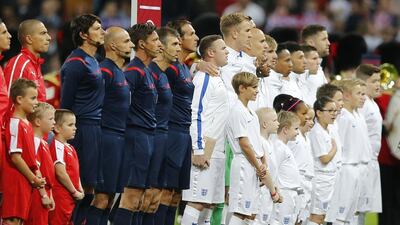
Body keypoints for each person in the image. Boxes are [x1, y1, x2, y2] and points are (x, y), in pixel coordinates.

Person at [112, 22, 161, 225]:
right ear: (142, 44)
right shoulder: (133, 71)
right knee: (131, 197)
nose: (160, 44)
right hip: (135, 136)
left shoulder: (146, 70)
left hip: (147, 136)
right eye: (155, 40)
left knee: (142, 199)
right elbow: (119, 102)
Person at [60, 14, 105, 224]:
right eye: (97, 28)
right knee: (80, 185)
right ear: (83, 35)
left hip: (95, 129)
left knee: (90, 187)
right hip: (82, 129)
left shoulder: (93, 60)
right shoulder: (75, 64)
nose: (102, 32)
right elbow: (66, 105)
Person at [85, 26, 133, 225]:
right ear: (112, 45)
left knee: (110, 197)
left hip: (119, 138)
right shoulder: (104, 70)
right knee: (102, 197)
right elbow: (95, 105)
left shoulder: (119, 71)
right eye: (126, 41)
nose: (131, 45)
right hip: (107, 139)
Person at [181, 35, 230, 225]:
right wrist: (199, 149)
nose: (227, 52)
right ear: (210, 53)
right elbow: (196, 112)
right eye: (223, 48)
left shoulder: (218, 77)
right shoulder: (204, 78)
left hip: (217, 149)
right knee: (197, 202)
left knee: (208, 204)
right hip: (204, 149)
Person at [225, 72, 269, 225]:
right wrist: (258, 166)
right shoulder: (237, 111)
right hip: (244, 163)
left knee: (250, 213)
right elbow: (244, 143)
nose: (257, 91)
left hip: (253, 164)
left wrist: (262, 163)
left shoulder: (251, 112)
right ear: (242, 88)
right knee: (241, 211)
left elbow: (257, 142)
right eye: (254, 87)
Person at [145, 27, 177, 225]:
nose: (178, 48)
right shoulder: (152, 73)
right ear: (161, 47)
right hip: (152, 137)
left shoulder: (164, 74)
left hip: (164, 136)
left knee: (158, 196)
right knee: (145, 196)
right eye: (174, 44)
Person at [2, 78, 46, 225]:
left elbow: (30, 156)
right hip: (15, 179)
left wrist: (36, 174)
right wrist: (33, 178)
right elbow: (15, 157)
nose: (36, 102)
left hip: (25, 178)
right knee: (12, 219)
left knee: (20, 219)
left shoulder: (26, 123)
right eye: (33, 98)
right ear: (19, 99)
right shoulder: (15, 123)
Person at [326, 79, 370, 225]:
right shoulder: (343, 117)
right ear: (346, 96)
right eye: (359, 93)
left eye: (364, 94)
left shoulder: (358, 115)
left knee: (354, 212)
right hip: (346, 168)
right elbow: (340, 144)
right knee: (341, 213)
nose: (363, 97)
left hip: (359, 167)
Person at [308, 97, 340, 225]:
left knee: (323, 216)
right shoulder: (316, 132)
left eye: (335, 111)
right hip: (321, 180)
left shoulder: (329, 129)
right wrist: (334, 149)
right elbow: (324, 158)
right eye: (330, 110)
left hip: (329, 179)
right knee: (317, 216)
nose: (334, 114)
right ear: (319, 113)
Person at [356, 64, 382, 223]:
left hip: (372, 161)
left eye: (379, 80)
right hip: (362, 162)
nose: (378, 85)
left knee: (365, 211)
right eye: (374, 81)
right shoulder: (363, 104)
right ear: (363, 83)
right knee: (357, 210)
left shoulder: (372, 102)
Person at [49, 109, 84, 225]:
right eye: (70, 125)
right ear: (57, 128)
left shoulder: (70, 147)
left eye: (75, 124)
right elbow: (60, 173)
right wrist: (74, 191)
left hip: (71, 197)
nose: (75, 128)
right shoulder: (57, 146)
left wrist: (80, 188)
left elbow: (76, 172)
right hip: (61, 197)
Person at [4, 19, 51, 102]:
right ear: (29, 39)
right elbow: (9, 100)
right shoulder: (19, 64)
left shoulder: (35, 64)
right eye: (43, 33)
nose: (49, 38)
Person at [26, 102, 56, 225]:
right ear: (38, 122)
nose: (54, 122)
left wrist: (50, 195)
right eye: (50, 119)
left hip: (45, 192)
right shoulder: (35, 142)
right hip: (37, 194)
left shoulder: (43, 142)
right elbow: (35, 169)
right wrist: (44, 195)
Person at [270, 111, 302, 225]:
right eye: (296, 129)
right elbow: (273, 171)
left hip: (291, 193)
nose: (298, 133)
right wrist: (275, 192)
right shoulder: (278, 147)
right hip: (284, 192)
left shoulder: (284, 147)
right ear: (285, 129)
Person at [254, 107, 281, 225]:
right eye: (275, 120)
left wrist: (275, 188)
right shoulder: (260, 142)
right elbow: (264, 171)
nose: (278, 123)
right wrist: (273, 192)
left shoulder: (269, 142)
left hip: (269, 190)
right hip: (263, 192)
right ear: (265, 124)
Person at [300, 25, 330, 104]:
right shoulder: (304, 70)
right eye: (324, 39)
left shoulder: (318, 67)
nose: (328, 43)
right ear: (310, 42)